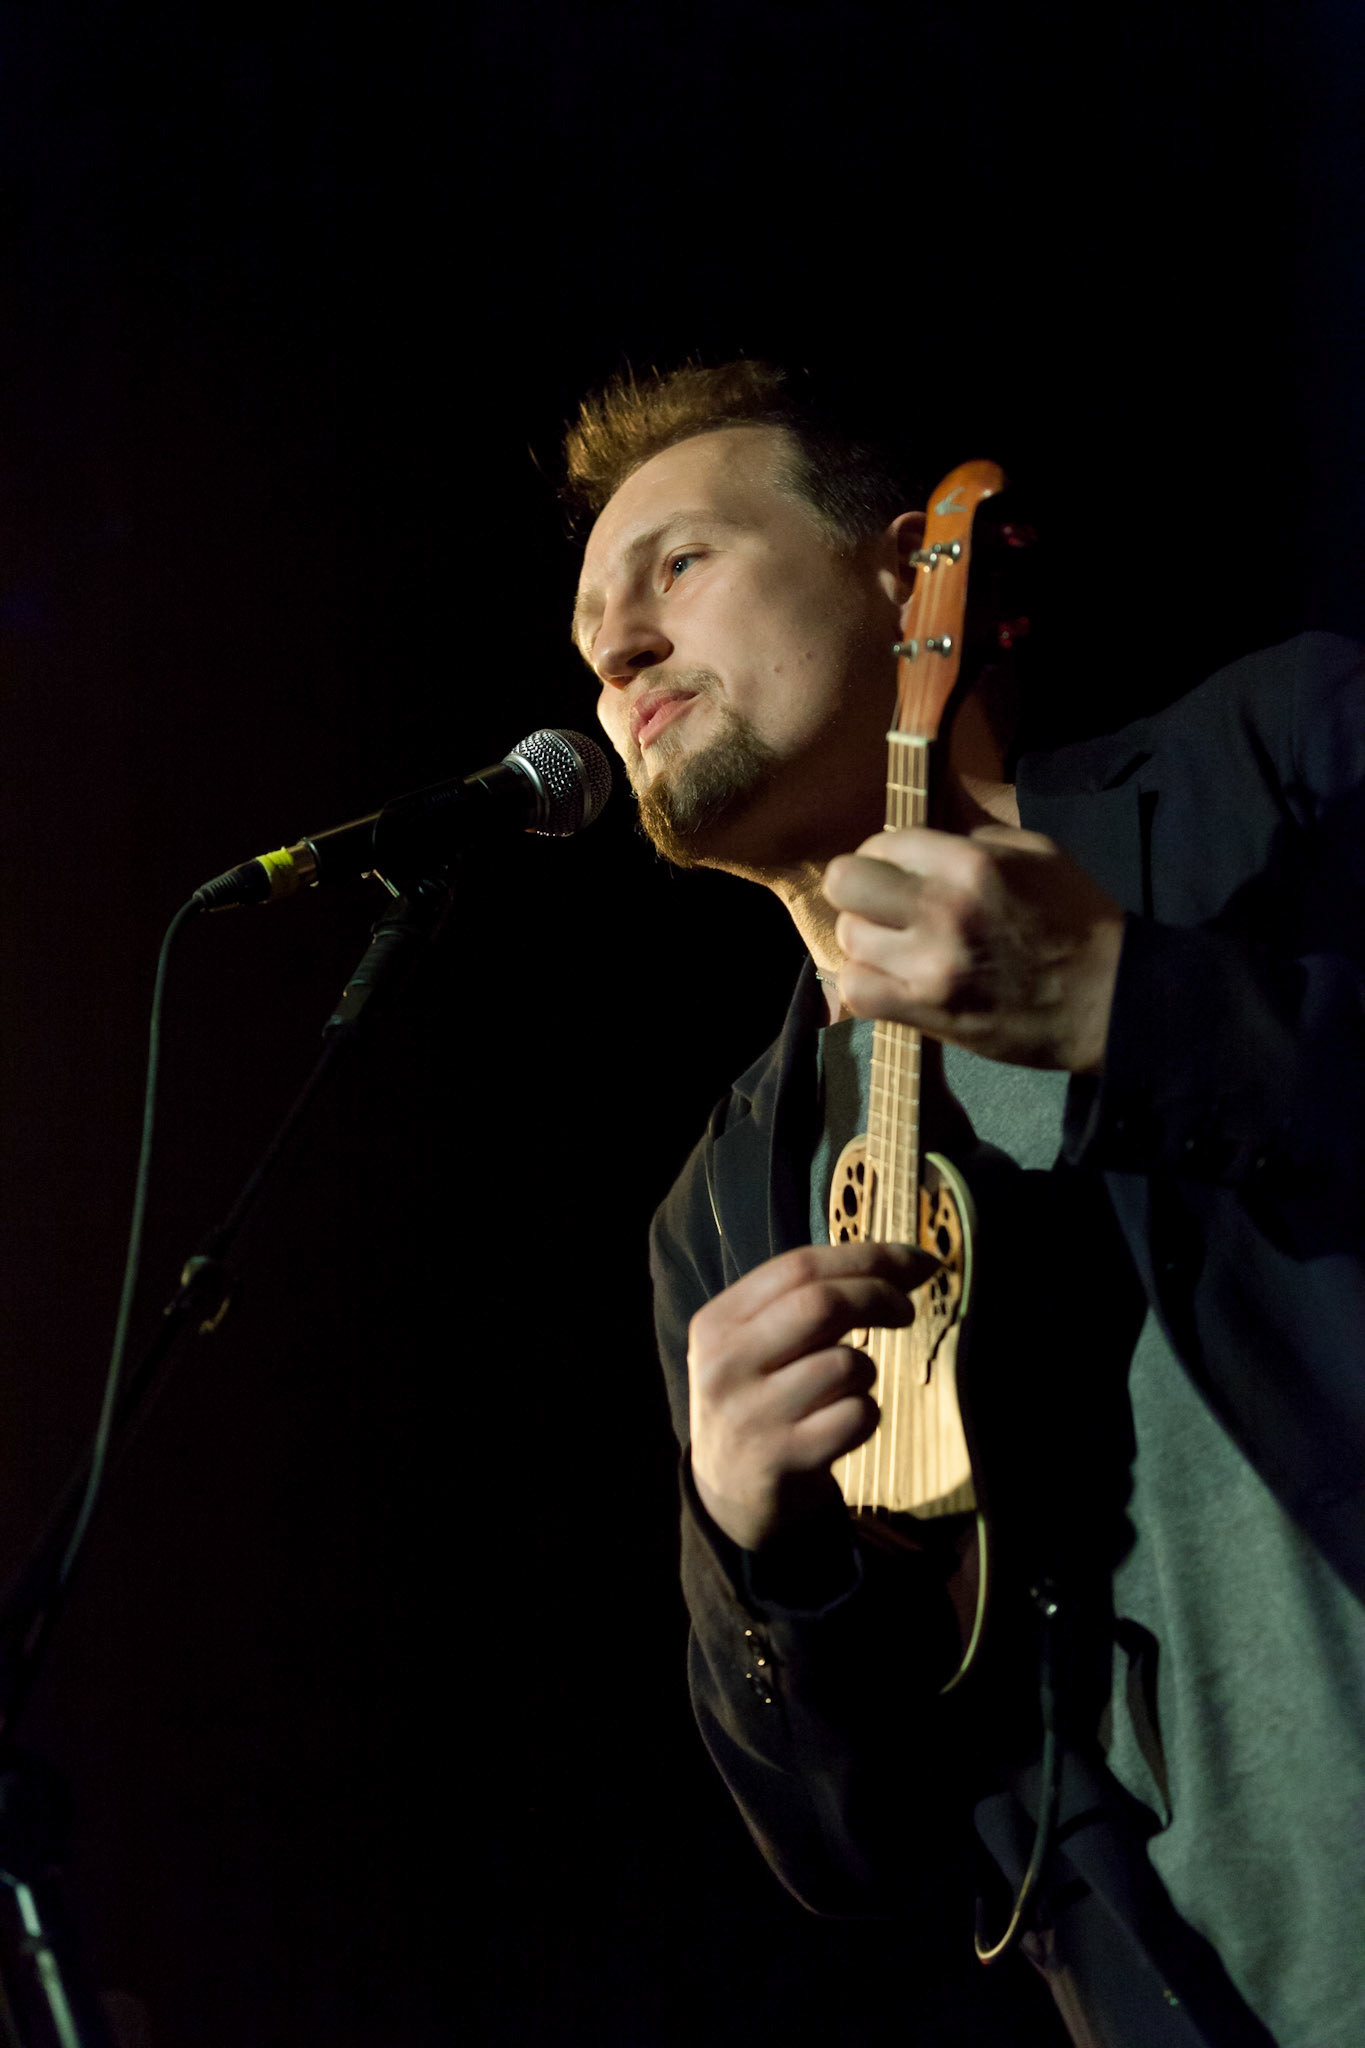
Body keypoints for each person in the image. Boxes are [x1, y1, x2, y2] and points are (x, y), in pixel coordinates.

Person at [563, 359, 1365, 2048]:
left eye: (677, 566)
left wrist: (1142, 1011)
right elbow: (850, 1848)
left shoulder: (1269, 766)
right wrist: (751, 1551)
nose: (614, 651)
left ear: (901, 571)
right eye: (587, 635)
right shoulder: (723, 1205)